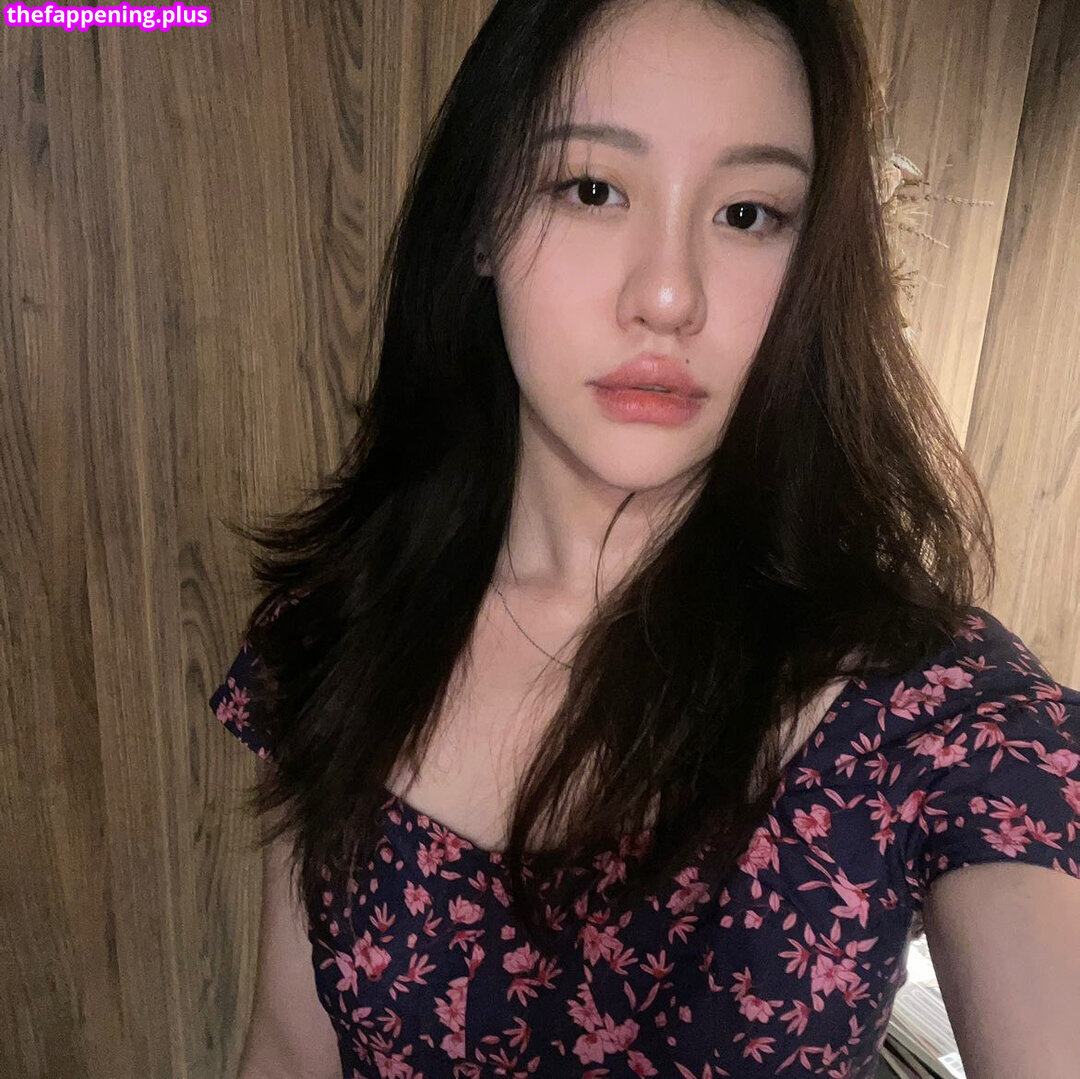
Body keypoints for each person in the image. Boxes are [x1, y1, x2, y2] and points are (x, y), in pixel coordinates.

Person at [208, 0, 1080, 1076]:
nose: (668, 295)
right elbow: (289, 1046)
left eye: (750, 213)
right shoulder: (334, 625)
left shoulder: (934, 712)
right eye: (591, 189)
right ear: (480, 219)